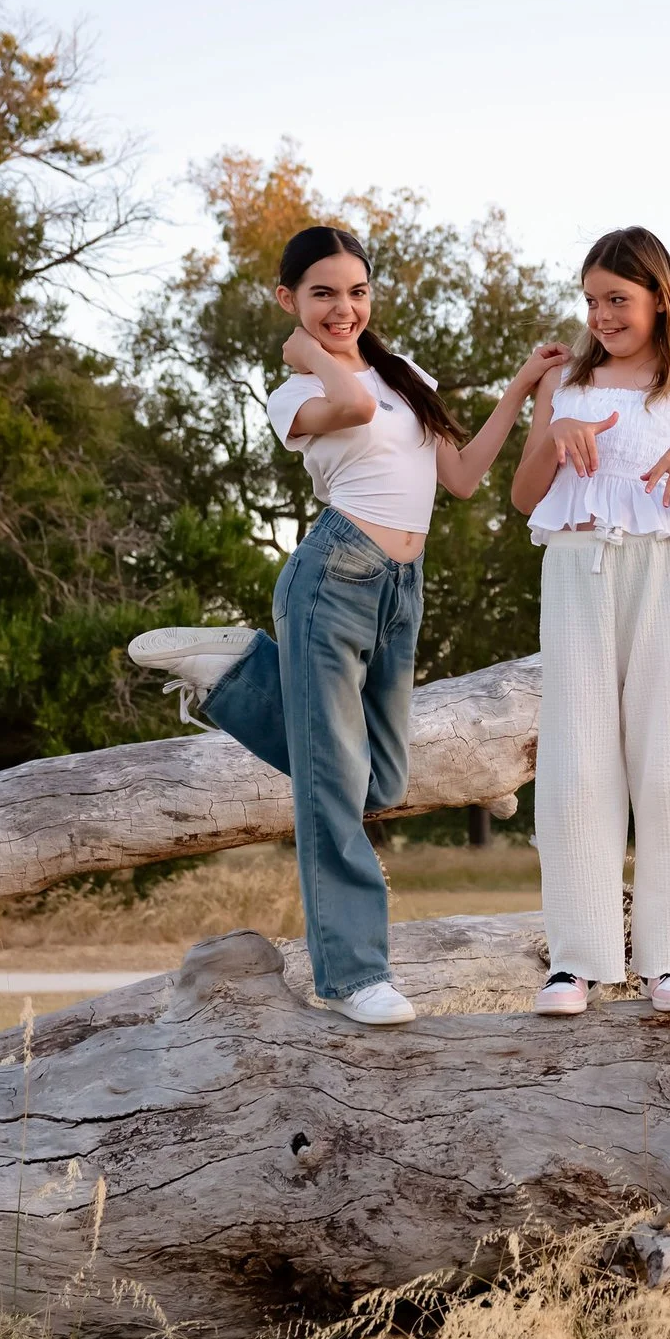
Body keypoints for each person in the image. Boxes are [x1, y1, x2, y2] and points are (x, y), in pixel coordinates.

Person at [127, 226, 565, 1025]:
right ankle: (355, 976)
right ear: (287, 298)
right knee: (331, 789)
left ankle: (235, 677)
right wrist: (308, 350)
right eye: (322, 293)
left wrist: (525, 388)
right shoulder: (293, 394)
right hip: (334, 576)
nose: (344, 308)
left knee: (380, 782)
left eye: (357, 292)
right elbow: (354, 405)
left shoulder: (405, 376)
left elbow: (463, 477)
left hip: (402, 589)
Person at [509, 228, 670, 1017]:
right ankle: (577, 961)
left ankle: (669, 957)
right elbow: (525, 496)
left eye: (617, 299)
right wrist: (554, 435)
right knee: (575, 765)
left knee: (664, 764)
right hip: (575, 568)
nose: (601, 315)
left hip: (660, 573)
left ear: (659, 299)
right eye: (592, 300)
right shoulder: (563, 382)